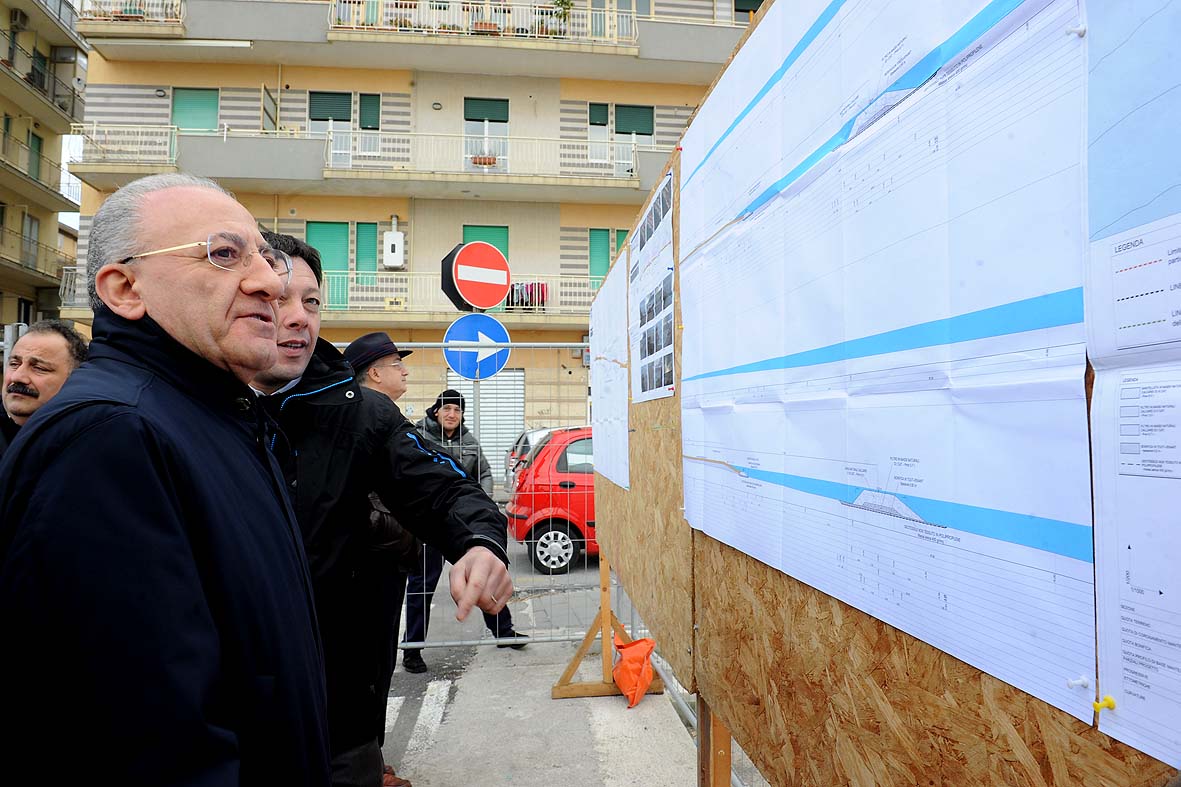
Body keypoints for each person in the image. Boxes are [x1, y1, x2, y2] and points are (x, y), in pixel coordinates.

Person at [0, 173, 330, 785]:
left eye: (263, 255)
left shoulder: (216, 416)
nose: (268, 280)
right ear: (125, 288)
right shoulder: (107, 435)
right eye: (224, 254)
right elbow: (147, 742)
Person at [250, 235, 512, 787]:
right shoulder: (184, 412)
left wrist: (480, 544)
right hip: (229, 726)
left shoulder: (362, 416)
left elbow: (446, 492)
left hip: (343, 721)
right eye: (279, 298)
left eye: (312, 302)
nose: (298, 318)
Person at [402, 389, 527, 675]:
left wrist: (480, 501)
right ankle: (412, 648)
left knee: (481, 574)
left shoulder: (469, 442)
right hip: (425, 523)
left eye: (457, 410)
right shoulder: (419, 436)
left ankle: (503, 631)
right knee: (422, 585)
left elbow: (484, 472)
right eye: (446, 409)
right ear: (436, 411)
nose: (451, 414)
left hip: (460, 523)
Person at [343, 331, 418, 787]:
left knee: (377, 664)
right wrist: (404, 534)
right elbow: (364, 503)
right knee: (366, 668)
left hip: (385, 559)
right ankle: (366, 765)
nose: (404, 370)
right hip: (371, 564)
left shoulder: (380, 412)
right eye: (396, 363)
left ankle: (371, 756)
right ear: (373, 371)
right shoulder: (364, 417)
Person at [1, 318, 88, 457]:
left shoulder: (88, 443)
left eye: (39, 368)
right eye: (14, 364)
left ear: (74, 379)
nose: (17, 377)